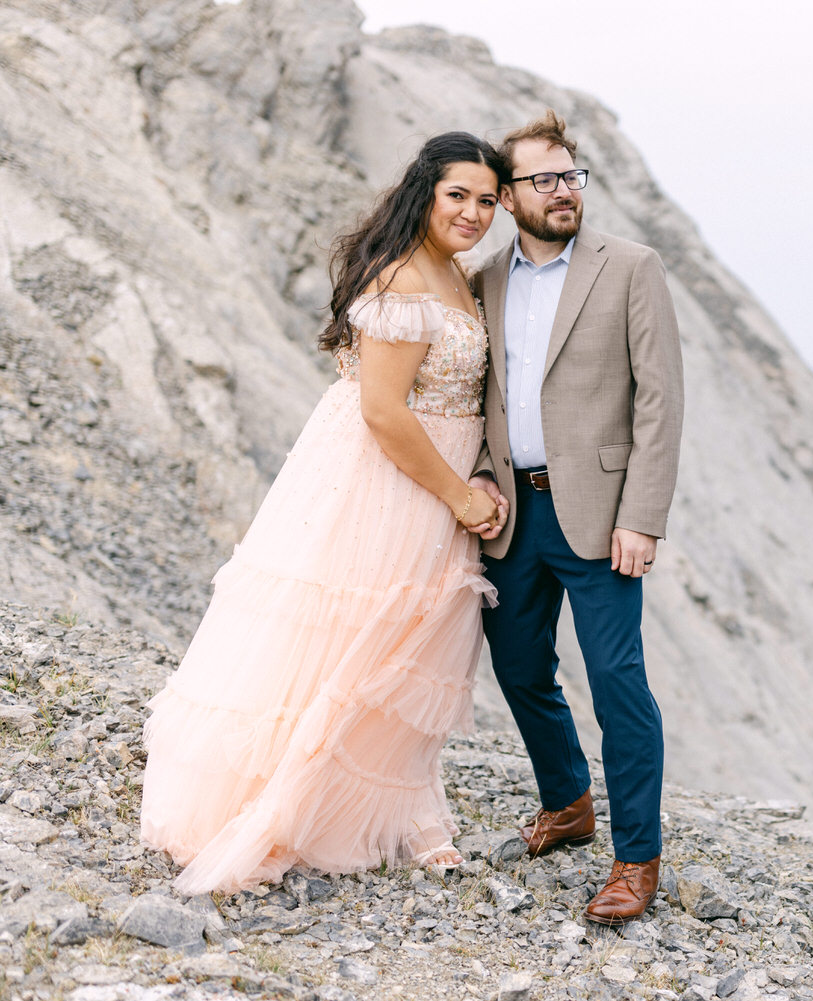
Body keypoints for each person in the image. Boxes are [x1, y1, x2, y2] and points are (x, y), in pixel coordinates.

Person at [139, 132, 508, 894]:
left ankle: (402, 801)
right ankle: (294, 801)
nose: (474, 212)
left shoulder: (454, 271)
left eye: (486, 199)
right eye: (458, 195)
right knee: (356, 636)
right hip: (388, 479)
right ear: (425, 194)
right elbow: (382, 410)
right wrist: (463, 494)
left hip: (430, 476)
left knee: (404, 640)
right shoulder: (404, 275)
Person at [468, 110, 684, 926]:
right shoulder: (487, 277)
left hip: (600, 516)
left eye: (572, 176)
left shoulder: (631, 267)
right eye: (545, 180)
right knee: (520, 666)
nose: (564, 192)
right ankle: (568, 801)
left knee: (617, 683)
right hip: (513, 513)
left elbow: (660, 399)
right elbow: (485, 395)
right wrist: (485, 477)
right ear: (510, 195)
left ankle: (636, 857)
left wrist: (644, 516)